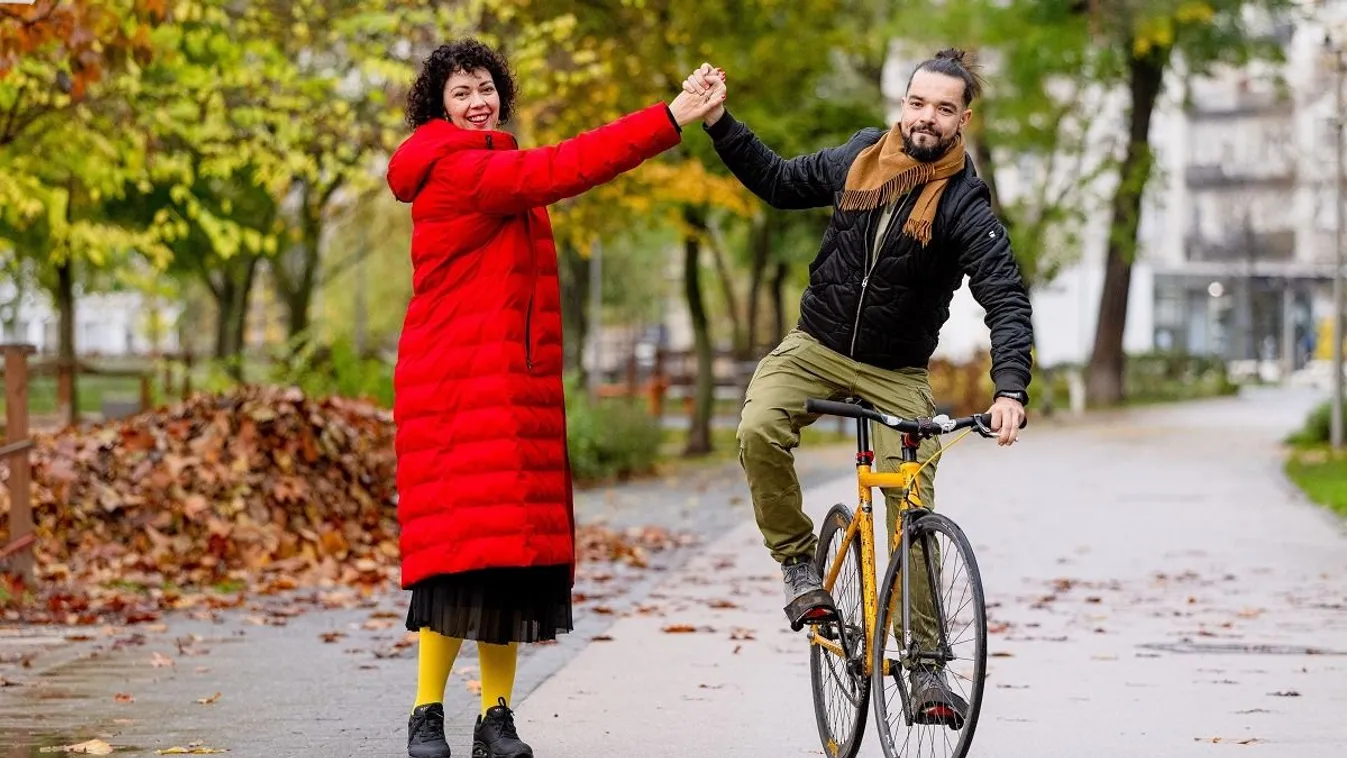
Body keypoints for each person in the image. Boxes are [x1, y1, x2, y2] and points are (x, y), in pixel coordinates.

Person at [386, 39, 726, 758]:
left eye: (485, 87)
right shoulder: (460, 168)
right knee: (459, 558)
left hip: (511, 389)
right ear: (438, 108)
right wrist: (668, 116)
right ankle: (425, 714)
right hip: (458, 388)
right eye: (461, 93)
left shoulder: (490, 163)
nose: (478, 101)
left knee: (511, 559)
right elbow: (564, 166)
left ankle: (496, 717)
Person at [684, 49, 1032, 728]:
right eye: (916, 102)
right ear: (901, 104)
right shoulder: (857, 159)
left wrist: (1009, 388)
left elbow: (1005, 297)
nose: (925, 117)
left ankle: (925, 668)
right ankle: (797, 566)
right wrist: (720, 122)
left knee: (912, 511)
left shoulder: (963, 201)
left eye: (942, 108)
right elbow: (780, 182)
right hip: (814, 346)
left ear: (963, 117)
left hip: (895, 370)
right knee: (757, 428)